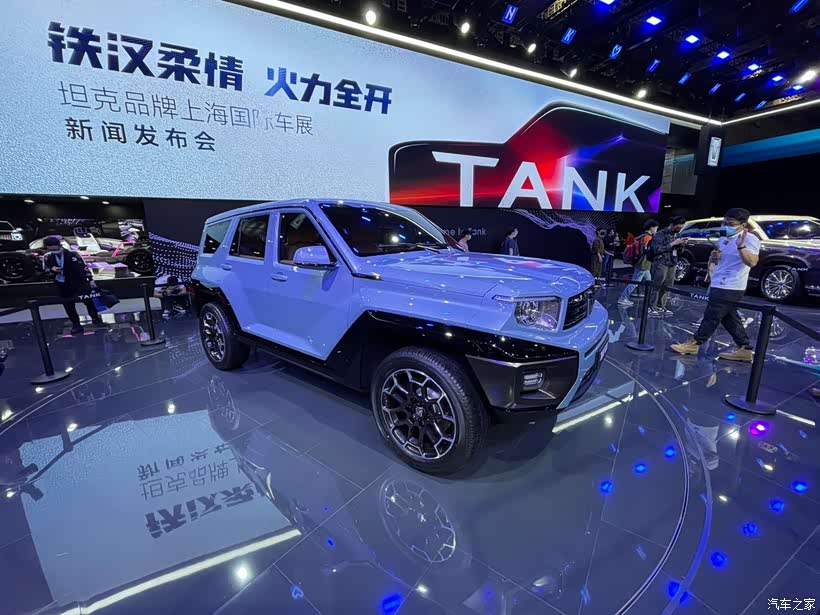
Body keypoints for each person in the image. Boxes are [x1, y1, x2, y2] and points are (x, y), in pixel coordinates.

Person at [671, 208, 760, 361]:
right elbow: (718, 260)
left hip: (731, 284)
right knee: (729, 317)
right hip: (718, 281)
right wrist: (714, 258)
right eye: (725, 222)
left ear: (743, 225)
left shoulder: (750, 239)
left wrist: (741, 246)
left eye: (731, 223)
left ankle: (695, 343)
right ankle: (744, 348)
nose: (726, 226)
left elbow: (752, 262)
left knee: (712, 315)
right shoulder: (723, 238)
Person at [43, 235, 101, 335]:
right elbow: (45, 270)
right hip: (63, 284)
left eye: (55, 249)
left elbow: (84, 267)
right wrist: (52, 269)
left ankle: (95, 318)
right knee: (69, 305)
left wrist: (91, 279)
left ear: (59, 245)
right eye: (51, 249)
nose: (54, 251)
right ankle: (76, 324)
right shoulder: (47, 256)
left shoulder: (73, 254)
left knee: (88, 302)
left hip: (79, 283)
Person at [649, 216, 688, 317]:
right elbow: (656, 249)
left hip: (672, 262)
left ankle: (661, 305)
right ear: (672, 224)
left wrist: (682, 245)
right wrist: (673, 243)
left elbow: (680, 252)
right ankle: (651, 306)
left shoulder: (678, 235)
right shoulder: (660, 234)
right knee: (656, 285)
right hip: (661, 262)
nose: (679, 229)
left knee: (667, 286)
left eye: (681, 228)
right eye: (678, 227)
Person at [618, 219, 659, 306]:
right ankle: (623, 298)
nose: (656, 230)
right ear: (651, 228)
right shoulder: (648, 238)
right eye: (656, 228)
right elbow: (649, 250)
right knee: (635, 283)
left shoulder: (642, 236)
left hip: (643, 263)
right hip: (643, 264)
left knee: (649, 281)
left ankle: (650, 298)